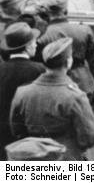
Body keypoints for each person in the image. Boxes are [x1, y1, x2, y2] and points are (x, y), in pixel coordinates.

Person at [10, 38, 94, 160]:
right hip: (66, 156)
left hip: (32, 156)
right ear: (68, 62)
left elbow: (16, 129)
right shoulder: (75, 96)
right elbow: (91, 136)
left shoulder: (23, 92)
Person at [36, 0, 94, 97]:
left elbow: (38, 64)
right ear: (66, 11)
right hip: (82, 81)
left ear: (47, 13)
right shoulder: (84, 29)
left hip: (53, 83)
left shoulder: (43, 35)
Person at [0, 23, 45, 160]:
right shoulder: (39, 70)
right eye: (34, 42)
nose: (36, 45)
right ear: (27, 46)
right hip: (29, 131)